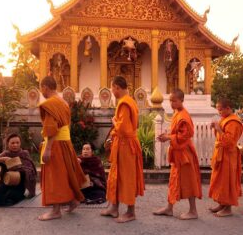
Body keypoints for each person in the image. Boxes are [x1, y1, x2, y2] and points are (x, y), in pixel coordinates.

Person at [38, 76, 86, 221]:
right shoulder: (63, 102)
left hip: (56, 143)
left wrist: (48, 148)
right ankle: (72, 201)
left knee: (55, 176)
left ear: (45, 87)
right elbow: (65, 125)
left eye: (41, 88)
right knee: (66, 173)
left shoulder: (50, 103)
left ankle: (55, 210)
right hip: (66, 142)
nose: (41, 92)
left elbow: (52, 127)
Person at [100, 75, 144, 223]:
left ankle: (131, 212)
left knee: (127, 177)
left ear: (117, 87)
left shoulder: (124, 103)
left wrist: (114, 122)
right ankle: (114, 207)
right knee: (116, 175)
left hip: (126, 146)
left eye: (112, 88)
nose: (112, 91)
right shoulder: (130, 101)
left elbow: (124, 128)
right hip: (122, 145)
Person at [153, 89, 202, 220]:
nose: (172, 103)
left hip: (185, 154)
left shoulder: (183, 116)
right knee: (174, 180)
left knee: (189, 181)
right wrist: (167, 136)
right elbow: (176, 133)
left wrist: (169, 138)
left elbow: (185, 136)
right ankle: (169, 208)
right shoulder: (177, 113)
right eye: (170, 100)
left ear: (181, 100)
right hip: (178, 153)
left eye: (174, 101)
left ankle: (193, 211)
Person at [0, 133, 37, 206]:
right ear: (8, 144)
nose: (15, 145)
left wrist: (19, 168)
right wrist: (0, 160)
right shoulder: (5, 154)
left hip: (19, 186)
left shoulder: (25, 153)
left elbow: (31, 170)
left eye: (17, 143)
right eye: (13, 143)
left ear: (20, 143)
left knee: (11, 199)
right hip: (5, 184)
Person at [209, 98, 243, 217]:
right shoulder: (225, 119)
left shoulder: (234, 122)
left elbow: (230, 142)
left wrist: (218, 128)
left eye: (220, 110)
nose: (219, 113)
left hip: (229, 155)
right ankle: (222, 204)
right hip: (221, 154)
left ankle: (228, 208)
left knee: (227, 181)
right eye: (218, 110)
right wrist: (216, 127)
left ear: (228, 108)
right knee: (219, 180)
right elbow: (220, 136)